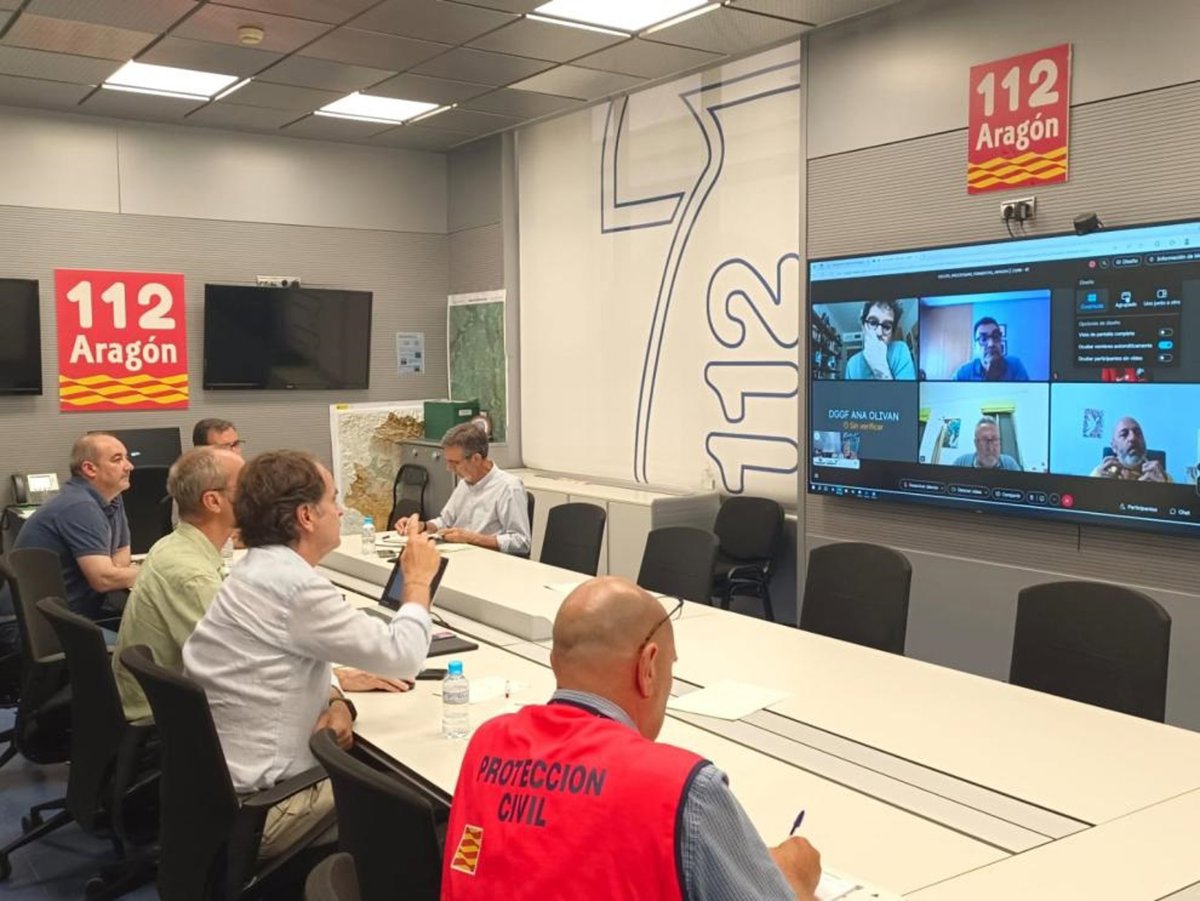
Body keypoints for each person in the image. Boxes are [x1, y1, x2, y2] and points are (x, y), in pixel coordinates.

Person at [441, 576, 822, 901]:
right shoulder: (682, 788)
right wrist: (794, 877)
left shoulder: (487, 743)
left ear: (555, 662)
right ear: (647, 667)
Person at [183, 451, 441, 857]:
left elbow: (296, 656)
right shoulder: (294, 586)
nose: (340, 510)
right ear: (306, 516)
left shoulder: (256, 570)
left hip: (217, 797)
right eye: (333, 500)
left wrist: (337, 698)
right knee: (430, 799)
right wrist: (419, 580)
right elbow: (405, 655)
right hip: (270, 808)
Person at [111, 447, 243, 721]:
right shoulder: (192, 576)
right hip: (162, 716)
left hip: (156, 698)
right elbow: (238, 669)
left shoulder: (173, 545)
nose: (258, 493)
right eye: (246, 485)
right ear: (213, 501)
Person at [14, 433, 138, 621]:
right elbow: (104, 579)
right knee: (149, 637)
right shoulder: (78, 506)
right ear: (89, 469)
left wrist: (116, 572)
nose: (129, 466)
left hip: (73, 616)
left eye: (126, 458)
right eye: (117, 459)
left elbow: (121, 555)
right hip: (38, 625)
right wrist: (155, 572)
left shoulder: (112, 498)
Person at [401, 423, 531, 555]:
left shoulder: (508, 487)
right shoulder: (465, 482)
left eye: (455, 463)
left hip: (490, 561)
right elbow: (445, 521)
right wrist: (423, 526)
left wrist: (472, 538)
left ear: (476, 459)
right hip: (459, 555)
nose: (449, 468)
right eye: (448, 462)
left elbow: (521, 542)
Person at [844, 300, 915, 380]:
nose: (879, 333)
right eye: (873, 323)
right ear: (863, 327)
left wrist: (879, 366)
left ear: (892, 333)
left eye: (886, 327)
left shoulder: (900, 350)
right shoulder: (851, 364)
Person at [1090, 416, 1171, 481]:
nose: (1133, 438)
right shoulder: (1101, 474)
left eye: (1137, 433)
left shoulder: (1160, 475)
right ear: (1114, 447)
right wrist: (1100, 486)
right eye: (1124, 434)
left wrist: (1164, 488)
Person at [953, 317, 1029, 381]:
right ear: (975, 347)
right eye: (983, 339)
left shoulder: (1015, 366)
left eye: (996, 336)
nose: (991, 344)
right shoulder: (963, 373)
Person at [952, 419, 1021, 470]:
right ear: (976, 443)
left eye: (995, 440)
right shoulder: (961, 463)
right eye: (984, 440)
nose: (990, 448)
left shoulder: (1010, 465)